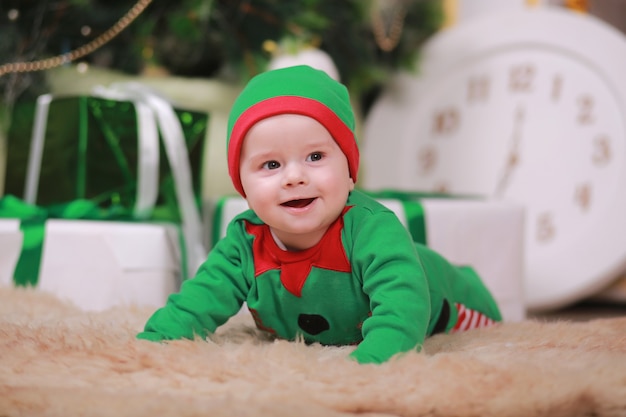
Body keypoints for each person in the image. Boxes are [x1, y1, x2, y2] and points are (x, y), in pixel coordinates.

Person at [137, 65, 502, 364]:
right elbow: (200, 297)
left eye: (315, 157)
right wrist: (155, 340)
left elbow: (403, 306)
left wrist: (372, 363)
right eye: (271, 164)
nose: (295, 177)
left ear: (349, 169)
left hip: (444, 301)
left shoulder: (371, 229)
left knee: (464, 322)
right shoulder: (245, 241)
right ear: (242, 185)